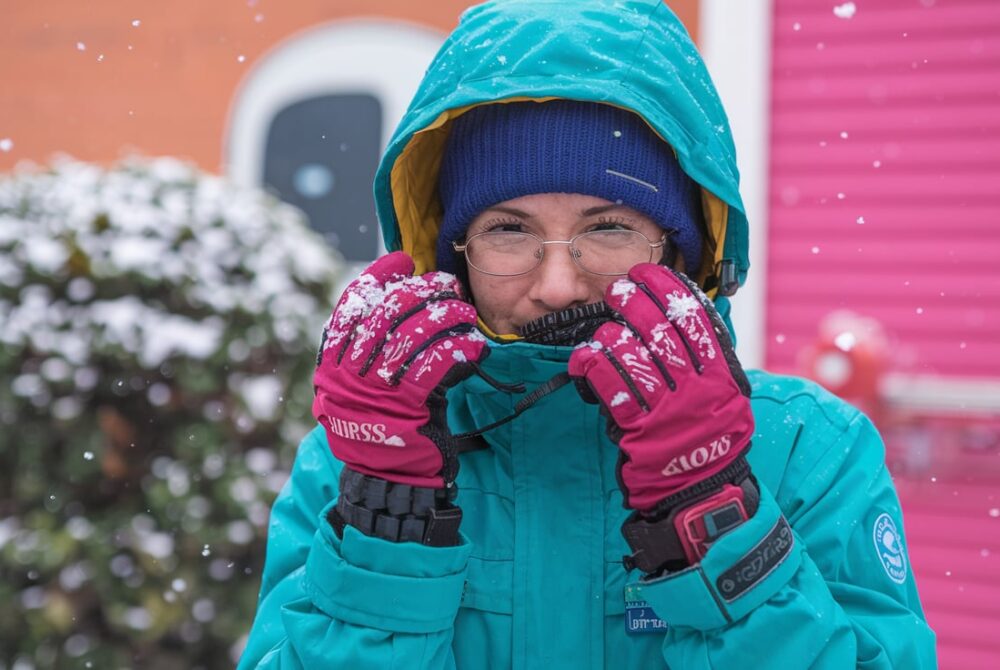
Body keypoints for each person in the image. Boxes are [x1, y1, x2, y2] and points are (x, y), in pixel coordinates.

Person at [238, 1, 937, 667]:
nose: (559, 285)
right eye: (509, 230)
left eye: (607, 228)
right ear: (455, 257)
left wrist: (714, 518)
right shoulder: (356, 461)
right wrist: (387, 524)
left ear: (682, 252)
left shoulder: (806, 452)